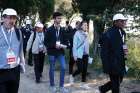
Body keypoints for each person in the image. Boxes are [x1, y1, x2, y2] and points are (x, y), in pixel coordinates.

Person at [99, 13, 128, 93]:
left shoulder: (123, 32)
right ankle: (103, 89)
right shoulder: (108, 33)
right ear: (115, 22)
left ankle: (103, 89)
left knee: (120, 80)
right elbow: (104, 51)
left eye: (124, 21)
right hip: (112, 63)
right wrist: (106, 65)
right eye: (121, 21)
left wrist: (125, 51)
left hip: (121, 62)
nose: (123, 23)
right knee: (115, 85)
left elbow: (123, 45)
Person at [0, 8, 25, 93]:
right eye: (9, 17)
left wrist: (22, 64)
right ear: (3, 18)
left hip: (14, 70)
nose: (12, 21)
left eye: (14, 18)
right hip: (1, 71)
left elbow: (21, 50)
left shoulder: (18, 32)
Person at [44, 12, 68, 93]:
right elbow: (46, 42)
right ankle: (52, 85)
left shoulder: (63, 29)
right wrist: (54, 45)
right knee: (52, 68)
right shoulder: (49, 30)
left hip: (60, 52)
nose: (60, 19)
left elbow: (66, 41)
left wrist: (63, 45)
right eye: (58, 18)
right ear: (54, 19)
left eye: (60, 18)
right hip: (52, 52)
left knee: (64, 67)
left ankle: (61, 87)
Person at [71, 21, 90, 87]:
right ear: (81, 26)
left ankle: (83, 83)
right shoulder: (77, 33)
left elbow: (87, 45)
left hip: (86, 54)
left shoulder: (87, 33)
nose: (86, 26)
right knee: (80, 69)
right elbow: (74, 45)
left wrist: (88, 53)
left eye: (86, 25)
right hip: (79, 54)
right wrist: (74, 55)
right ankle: (72, 75)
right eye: (84, 25)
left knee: (85, 70)